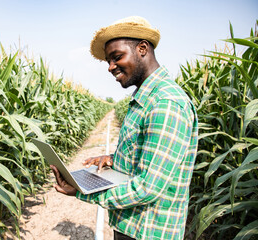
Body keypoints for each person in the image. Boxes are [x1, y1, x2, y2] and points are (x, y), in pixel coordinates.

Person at [50, 16, 198, 240]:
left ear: (142, 48)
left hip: (149, 231)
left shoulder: (166, 103)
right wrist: (114, 159)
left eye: (117, 57)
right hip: (132, 226)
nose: (110, 67)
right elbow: (147, 153)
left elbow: (147, 188)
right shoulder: (145, 98)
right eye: (108, 61)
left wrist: (82, 192)